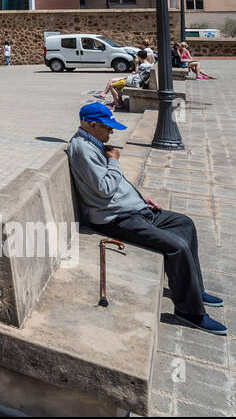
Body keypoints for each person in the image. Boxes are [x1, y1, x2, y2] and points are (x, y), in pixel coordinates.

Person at [67, 102, 226, 335]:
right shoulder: (83, 149)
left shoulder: (95, 143)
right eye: (107, 127)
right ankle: (189, 311)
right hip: (116, 219)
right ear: (90, 125)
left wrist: (141, 199)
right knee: (176, 247)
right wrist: (114, 160)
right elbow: (104, 187)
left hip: (134, 209)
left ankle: (194, 288)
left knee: (184, 224)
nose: (111, 132)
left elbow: (117, 185)